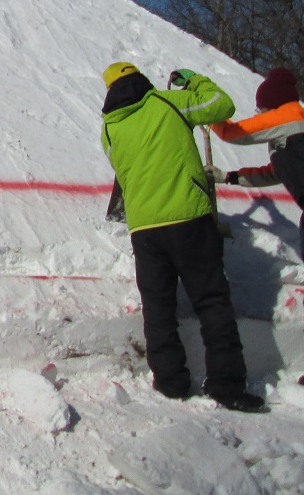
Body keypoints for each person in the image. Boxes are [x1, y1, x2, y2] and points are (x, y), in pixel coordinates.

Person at [99, 61, 264, 412]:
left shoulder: (109, 130)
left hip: (144, 229)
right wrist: (192, 79)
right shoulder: (171, 101)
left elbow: (121, 166)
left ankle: (171, 382)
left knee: (158, 308)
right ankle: (227, 385)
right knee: (212, 301)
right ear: (142, 79)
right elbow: (221, 104)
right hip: (188, 218)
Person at [211, 67, 304, 256]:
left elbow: (233, 134)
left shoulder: (287, 115)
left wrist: (210, 113)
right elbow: (274, 173)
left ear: (271, 106)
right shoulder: (295, 131)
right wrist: (230, 177)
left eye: (260, 110)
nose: (259, 115)